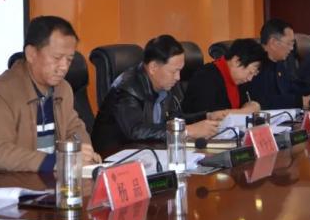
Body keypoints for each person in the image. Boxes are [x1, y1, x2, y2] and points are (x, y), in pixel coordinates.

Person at [0, 16, 99, 173]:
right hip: (7, 182)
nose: (64, 67)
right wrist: (57, 161)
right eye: (57, 58)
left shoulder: (63, 89)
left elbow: (75, 129)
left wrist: (82, 152)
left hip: (50, 179)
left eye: (69, 59)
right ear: (31, 54)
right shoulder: (1, 92)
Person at [91, 34, 224, 156]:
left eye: (180, 71)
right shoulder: (126, 89)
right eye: (173, 71)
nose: (178, 77)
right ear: (153, 67)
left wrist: (206, 116)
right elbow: (136, 131)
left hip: (149, 152)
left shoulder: (162, 84)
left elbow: (173, 119)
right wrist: (187, 131)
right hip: (115, 157)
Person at [182, 38, 263, 114]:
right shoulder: (205, 77)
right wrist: (243, 112)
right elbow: (213, 116)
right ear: (236, 61)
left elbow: (250, 104)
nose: (250, 78)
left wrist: (254, 106)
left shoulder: (239, 80)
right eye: (250, 72)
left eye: (254, 74)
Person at [247, 19, 310, 110]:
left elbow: (289, 86)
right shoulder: (254, 63)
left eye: (293, 44)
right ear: (273, 43)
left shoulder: (279, 61)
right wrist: (299, 101)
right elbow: (263, 101)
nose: (291, 48)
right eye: (289, 43)